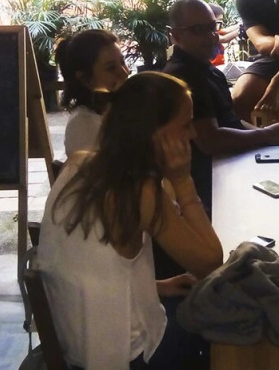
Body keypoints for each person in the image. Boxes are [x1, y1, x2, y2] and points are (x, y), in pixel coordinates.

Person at [36, 72, 223, 370]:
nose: (193, 135)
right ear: (154, 132)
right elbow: (211, 262)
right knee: (225, 320)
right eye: (186, 125)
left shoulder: (77, 163)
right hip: (128, 357)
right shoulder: (140, 192)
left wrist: (156, 286)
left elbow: (94, 268)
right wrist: (183, 181)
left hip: (78, 347)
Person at [164, 0, 279, 217]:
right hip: (220, 170)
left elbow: (231, 121)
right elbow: (210, 141)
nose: (211, 36)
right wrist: (266, 135)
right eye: (199, 30)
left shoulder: (206, 70)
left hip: (238, 153)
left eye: (213, 27)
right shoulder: (182, 78)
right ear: (176, 35)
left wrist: (268, 133)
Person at [55, 29, 130, 155]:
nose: (124, 72)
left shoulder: (116, 111)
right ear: (86, 79)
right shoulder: (84, 124)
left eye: (122, 62)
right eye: (111, 68)